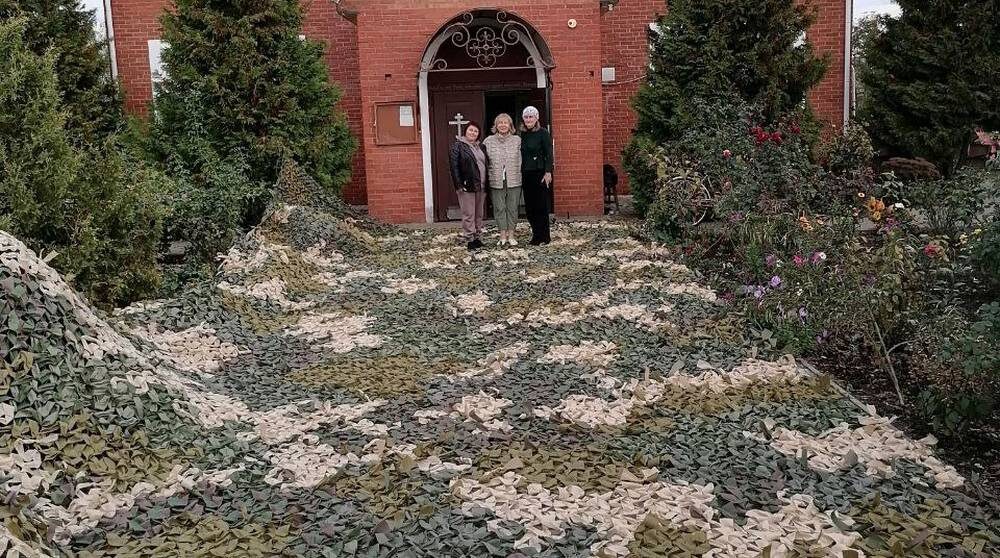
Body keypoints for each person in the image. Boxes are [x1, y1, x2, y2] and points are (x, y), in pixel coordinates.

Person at [482, 113, 522, 246]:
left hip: (514, 178)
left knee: (512, 208)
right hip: (496, 179)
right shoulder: (488, 141)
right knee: (499, 207)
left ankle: (511, 234)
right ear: (496, 125)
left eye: (506, 123)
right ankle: (502, 235)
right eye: (500, 123)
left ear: (510, 125)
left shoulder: (517, 140)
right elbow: (483, 160)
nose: (503, 125)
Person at [449, 121, 488, 250]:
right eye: (471, 130)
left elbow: (486, 164)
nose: (473, 133)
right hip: (467, 185)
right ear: (465, 131)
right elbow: (454, 167)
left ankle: (477, 237)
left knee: (479, 214)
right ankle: (469, 238)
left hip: (481, 185)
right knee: (469, 214)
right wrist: (458, 185)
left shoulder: (481, 147)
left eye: (476, 131)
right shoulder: (458, 146)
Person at [519, 106, 554, 245]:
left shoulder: (543, 133)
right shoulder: (521, 134)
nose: (528, 119)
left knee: (541, 206)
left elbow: (549, 153)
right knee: (530, 208)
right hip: (526, 173)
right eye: (526, 117)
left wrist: (548, 171)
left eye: (531, 117)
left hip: (539, 173)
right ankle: (536, 235)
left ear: (536, 118)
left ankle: (544, 236)